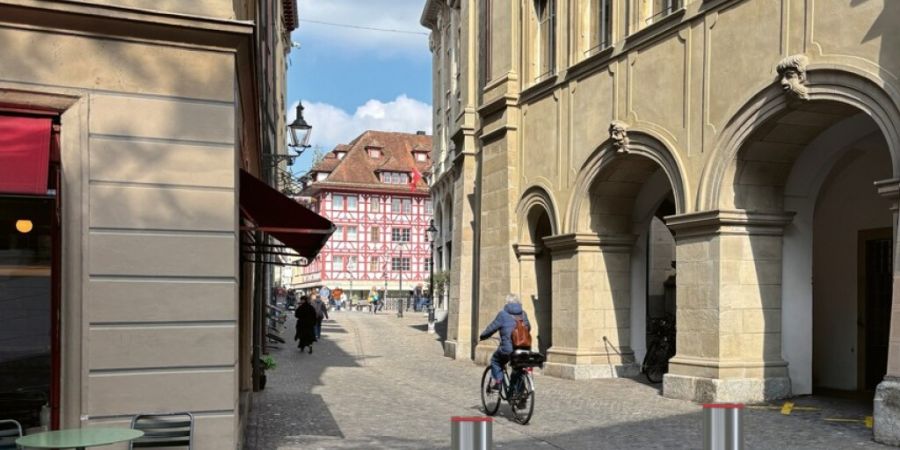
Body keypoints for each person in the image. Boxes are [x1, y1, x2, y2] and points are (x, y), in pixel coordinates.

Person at [479, 293, 531, 391]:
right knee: (517, 368)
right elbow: (529, 328)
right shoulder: (523, 314)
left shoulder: (503, 314)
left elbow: (491, 328)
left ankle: (498, 382)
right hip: (524, 349)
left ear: (507, 303)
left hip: (509, 349)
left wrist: (483, 336)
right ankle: (519, 394)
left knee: (495, 361)